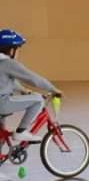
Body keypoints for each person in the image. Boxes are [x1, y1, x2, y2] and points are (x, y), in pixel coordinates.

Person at [0, 29, 62, 159]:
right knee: (38, 100)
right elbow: (32, 78)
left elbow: (7, 82)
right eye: (17, 49)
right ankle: (21, 132)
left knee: (1, 132)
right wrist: (53, 89)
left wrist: (23, 90)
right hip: (2, 103)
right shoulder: (8, 63)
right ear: (11, 50)